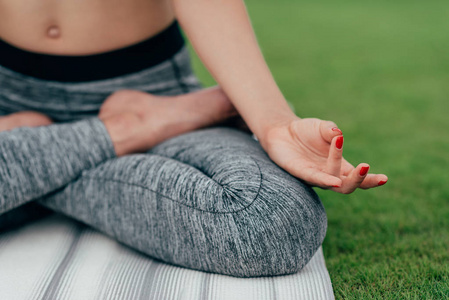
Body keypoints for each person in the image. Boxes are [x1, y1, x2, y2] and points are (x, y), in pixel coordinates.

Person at [0, 0, 387, 277]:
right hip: (7, 97)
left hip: (154, 92)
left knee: (270, 220)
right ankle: (126, 129)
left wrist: (272, 121)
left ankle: (49, 150)